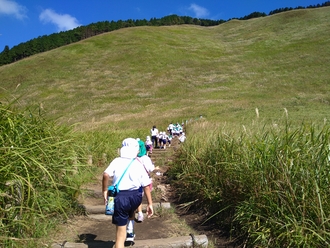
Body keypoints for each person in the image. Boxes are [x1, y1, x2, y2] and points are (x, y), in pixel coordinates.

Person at [102, 138, 153, 248]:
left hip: (120, 198)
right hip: (136, 197)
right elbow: (146, 185)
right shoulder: (138, 163)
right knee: (129, 211)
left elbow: (106, 175)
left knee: (120, 236)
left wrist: (105, 190)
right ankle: (130, 229)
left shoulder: (117, 161)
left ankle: (122, 240)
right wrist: (150, 204)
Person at [135, 139, 155, 222]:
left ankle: (139, 213)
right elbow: (151, 169)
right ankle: (149, 206)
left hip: (135, 180)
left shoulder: (132, 158)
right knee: (146, 193)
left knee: (138, 197)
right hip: (145, 179)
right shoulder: (146, 158)